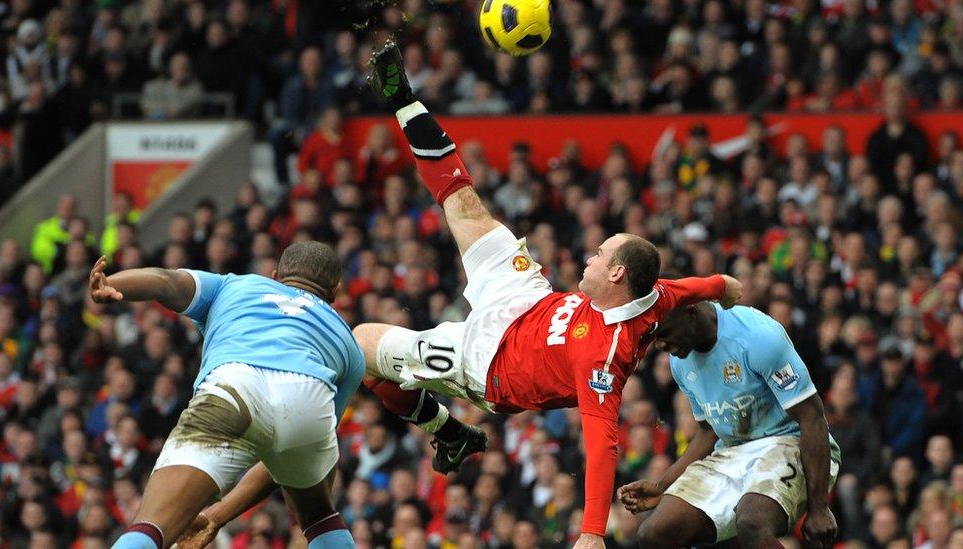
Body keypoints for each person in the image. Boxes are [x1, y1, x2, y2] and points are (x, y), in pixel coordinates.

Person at [352, 41, 743, 548]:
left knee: (361, 344)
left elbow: (602, 445)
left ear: (618, 273)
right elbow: (696, 286)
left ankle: (447, 430)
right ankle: (405, 98)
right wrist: (724, 286)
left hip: (490, 363)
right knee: (465, 204)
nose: (589, 256)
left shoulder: (604, 357)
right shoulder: (654, 293)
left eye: (599, 255)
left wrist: (592, 533)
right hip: (527, 298)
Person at [88, 240, 365, 549]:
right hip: (309, 401)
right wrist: (217, 516)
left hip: (235, 386)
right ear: (335, 293)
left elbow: (165, 281)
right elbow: (285, 454)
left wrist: (110, 284)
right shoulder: (350, 346)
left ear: (274, 276)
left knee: (153, 524)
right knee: (319, 514)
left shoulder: (234, 285)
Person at [618, 302, 841, 549]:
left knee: (753, 521)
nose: (660, 345)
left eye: (664, 334)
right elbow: (708, 430)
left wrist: (819, 508)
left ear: (690, 314)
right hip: (732, 451)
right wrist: (662, 484)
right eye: (655, 337)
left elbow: (812, 417)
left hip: (789, 440)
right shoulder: (680, 361)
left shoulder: (757, 336)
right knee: (654, 533)